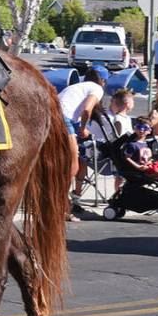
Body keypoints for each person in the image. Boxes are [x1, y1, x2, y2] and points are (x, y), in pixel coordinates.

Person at [58, 65, 109, 215]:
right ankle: (62, 200)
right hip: (63, 117)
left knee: (77, 159)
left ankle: (68, 198)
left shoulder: (79, 85)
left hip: (57, 113)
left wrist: (80, 127)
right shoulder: (97, 89)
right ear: (103, 81)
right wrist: (83, 128)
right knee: (73, 163)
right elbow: (87, 109)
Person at [122, 120, 158, 197]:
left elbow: (146, 158)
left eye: (145, 128)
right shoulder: (132, 144)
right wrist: (138, 167)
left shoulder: (145, 143)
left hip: (147, 168)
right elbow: (127, 158)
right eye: (139, 127)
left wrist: (150, 162)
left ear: (149, 131)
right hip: (139, 172)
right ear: (135, 129)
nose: (141, 130)